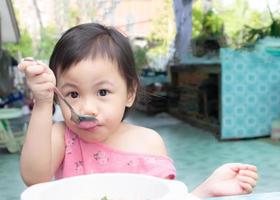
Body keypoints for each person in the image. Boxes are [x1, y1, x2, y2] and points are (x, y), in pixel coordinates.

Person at [19, 23, 258, 198]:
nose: (87, 108)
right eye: (72, 94)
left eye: (102, 92)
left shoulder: (148, 143)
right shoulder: (63, 136)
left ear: (130, 92)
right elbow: (34, 178)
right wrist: (42, 103)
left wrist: (205, 191)